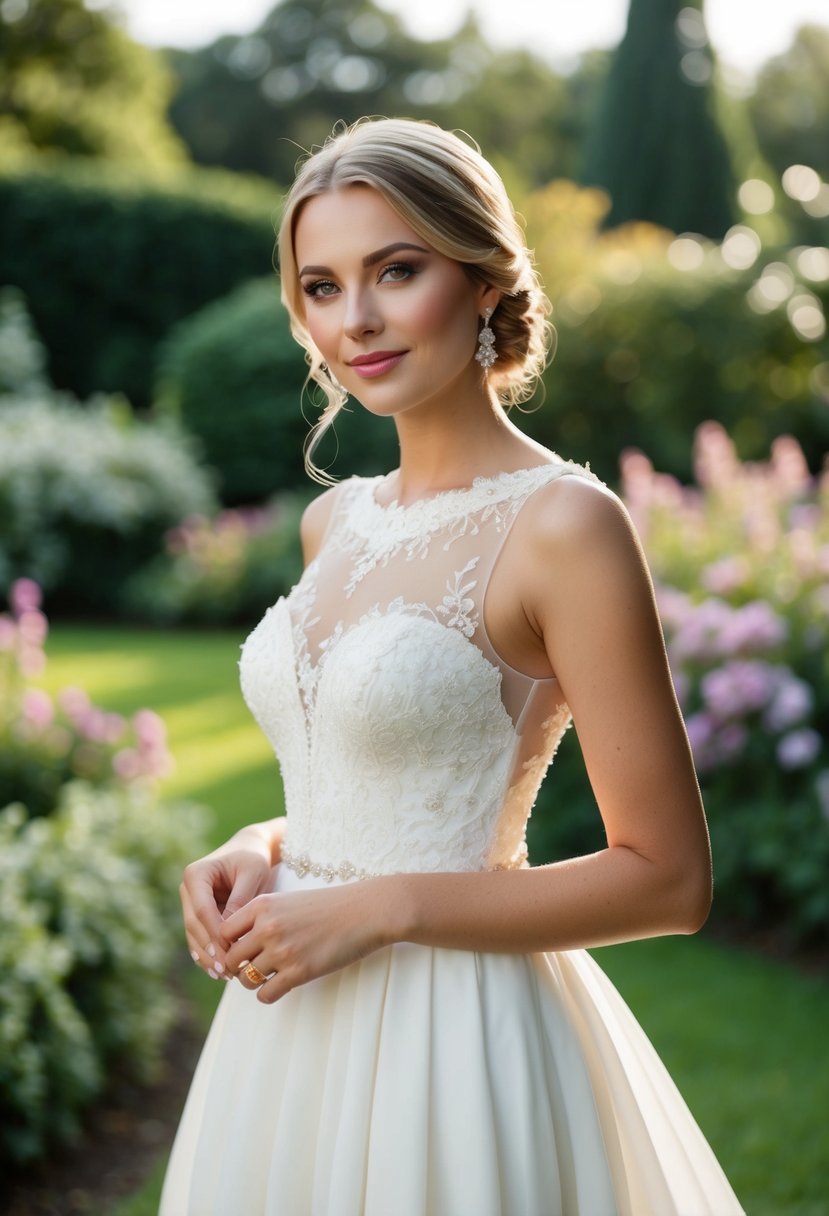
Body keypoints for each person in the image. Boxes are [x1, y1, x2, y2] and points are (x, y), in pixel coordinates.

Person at [160, 117, 744, 1215]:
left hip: (455, 1035)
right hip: (286, 1029)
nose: (357, 320)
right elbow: (357, 779)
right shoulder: (333, 524)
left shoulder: (565, 526)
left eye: (397, 270)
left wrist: (379, 910)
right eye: (322, 286)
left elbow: (668, 878)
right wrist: (258, 843)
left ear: (481, 280)